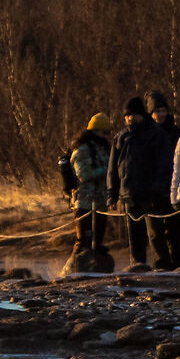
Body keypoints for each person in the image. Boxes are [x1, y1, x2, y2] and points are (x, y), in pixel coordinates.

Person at [112, 96, 180, 271]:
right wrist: (112, 194)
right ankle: (138, 266)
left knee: (156, 233)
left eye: (133, 114)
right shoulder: (121, 137)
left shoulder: (156, 134)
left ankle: (163, 267)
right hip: (129, 193)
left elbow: (164, 164)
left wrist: (157, 188)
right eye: (127, 116)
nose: (129, 118)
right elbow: (113, 168)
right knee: (134, 235)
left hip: (151, 193)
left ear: (141, 114)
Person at [70, 112, 113, 264]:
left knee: (98, 242)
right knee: (83, 243)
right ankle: (74, 269)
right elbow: (84, 174)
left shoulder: (103, 148)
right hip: (84, 202)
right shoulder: (82, 150)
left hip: (100, 201)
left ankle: (97, 268)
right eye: (105, 132)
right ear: (95, 132)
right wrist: (106, 170)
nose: (107, 136)